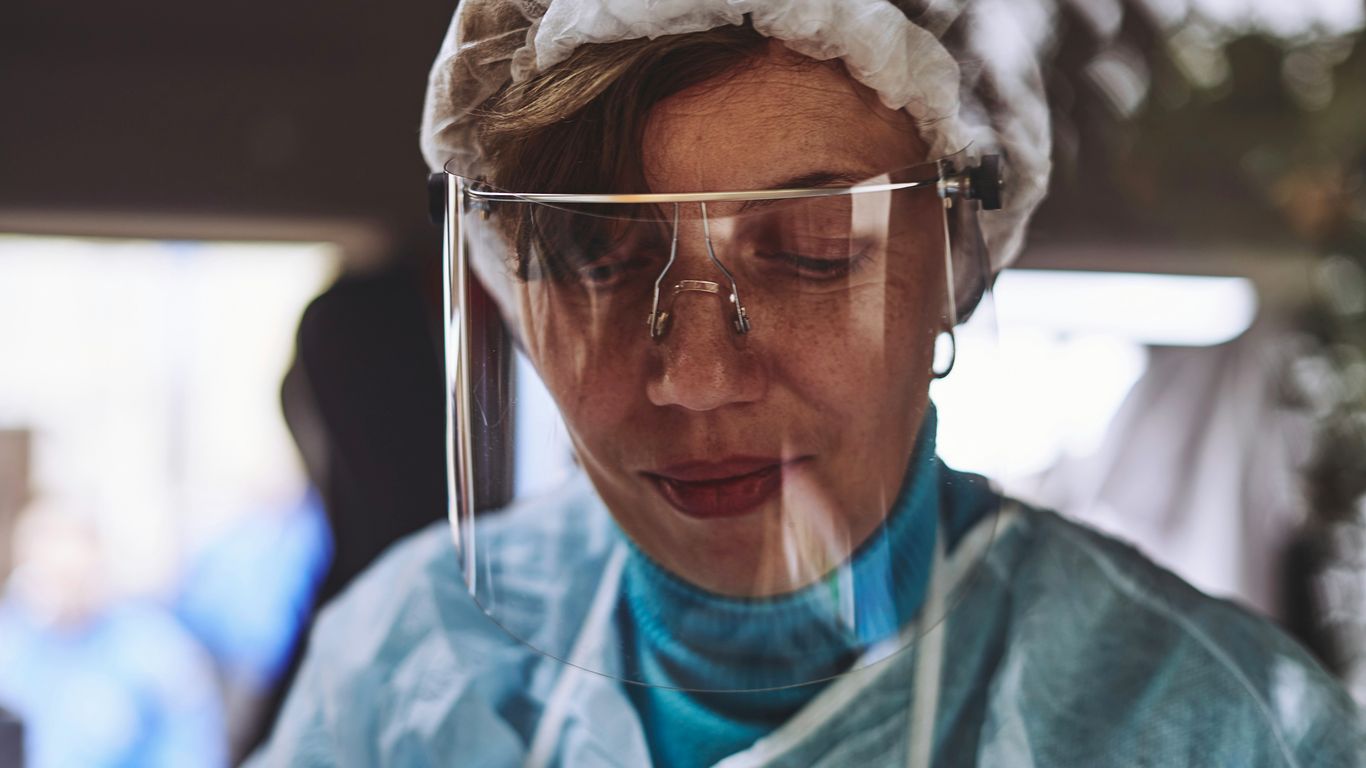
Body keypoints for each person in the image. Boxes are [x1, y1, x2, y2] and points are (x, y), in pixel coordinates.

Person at [250, 1, 1364, 765]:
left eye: (814, 250)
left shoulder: (1217, 726)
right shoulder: (401, 670)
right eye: (596, 258)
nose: (695, 379)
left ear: (954, 261)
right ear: (507, 283)